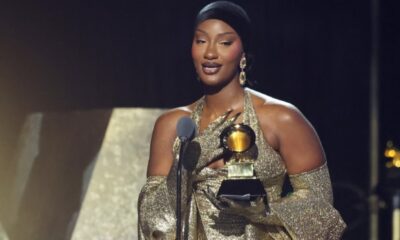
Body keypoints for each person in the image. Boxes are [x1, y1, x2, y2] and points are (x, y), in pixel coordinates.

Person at [138, 1, 346, 239]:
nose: (210, 53)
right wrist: (189, 162)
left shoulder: (281, 118)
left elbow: (321, 208)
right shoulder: (174, 125)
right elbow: (152, 219)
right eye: (201, 41)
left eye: (225, 42)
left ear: (243, 53)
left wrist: (263, 212)